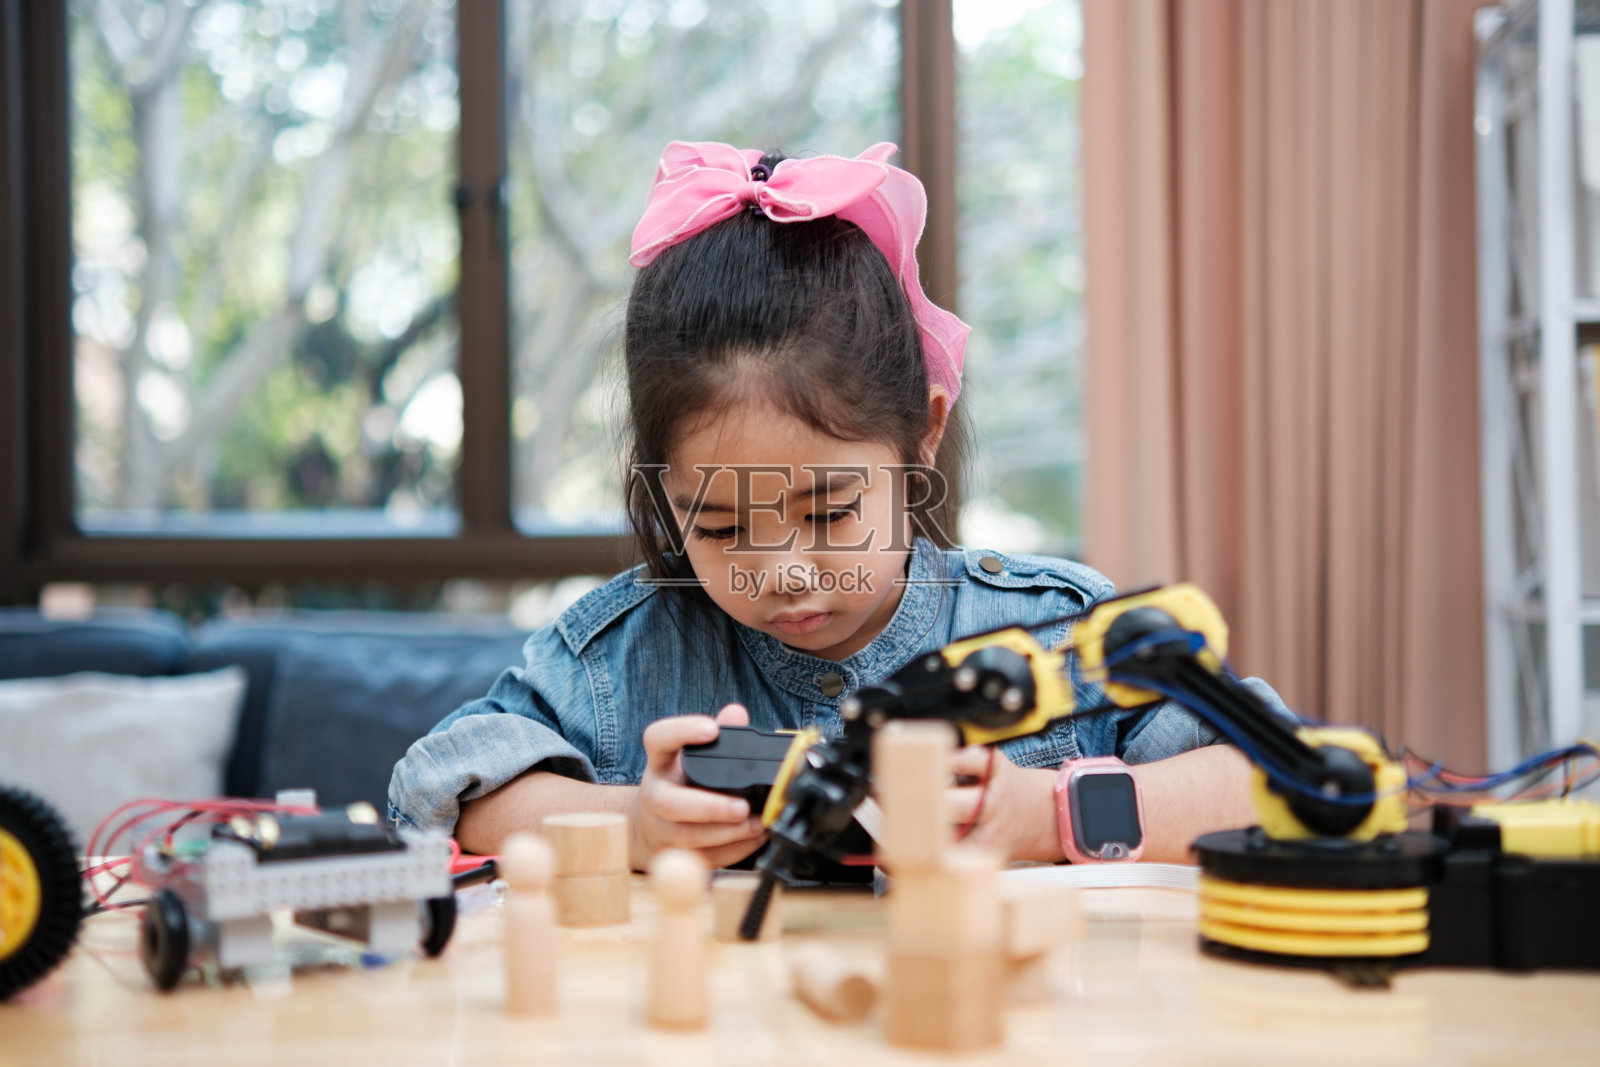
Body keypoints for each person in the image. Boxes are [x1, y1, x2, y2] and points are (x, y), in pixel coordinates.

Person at [389, 141, 1282, 871]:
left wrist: (1050, 815)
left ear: (921, 436)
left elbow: (1272, 779)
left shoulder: (1055, 630)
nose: (786, 571)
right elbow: (449, 787)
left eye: (828, 513)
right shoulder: (622, 655)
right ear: (665, 492)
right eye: (724, 525)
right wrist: (637, 823)